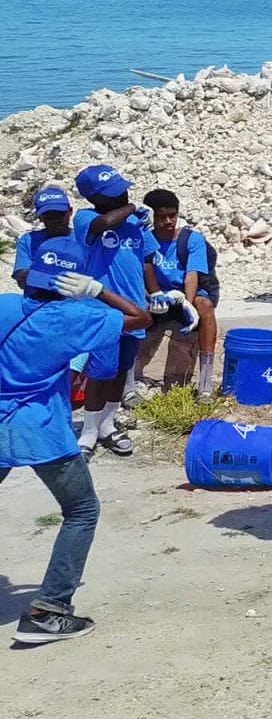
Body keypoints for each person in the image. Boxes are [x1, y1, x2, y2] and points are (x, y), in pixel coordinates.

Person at [2, 236, 149, 643]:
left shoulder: (4, 305)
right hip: (39, 429)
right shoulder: (74, 318)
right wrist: (99, 290)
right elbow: (140, 319)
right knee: (82, 510)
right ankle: (50, 610)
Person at [70, 165, 160, 456]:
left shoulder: (135, 224)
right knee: (101, 370)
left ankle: (108, 424)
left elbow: (146, 259)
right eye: (114, 193)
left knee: (122, 368)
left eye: (123, 188)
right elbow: (106, 222)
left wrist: (155, 292)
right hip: (102, 310)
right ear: (95, 199)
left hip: (135, 308)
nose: (123, 194)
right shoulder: (86, 218)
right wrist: (132, 207)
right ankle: (88, 431)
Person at [139, 189, 218, 393]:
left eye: (172, 215)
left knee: (205, 307)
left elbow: (192, 274)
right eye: (161, 216)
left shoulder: (191, 240)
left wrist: (187, 304)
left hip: (183, 295)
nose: (168, 221)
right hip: (155, 297)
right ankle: (131, 377)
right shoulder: (144, 240)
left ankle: (205, 382)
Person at [11, 186, 73, 289]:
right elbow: (21, 278)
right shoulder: (28, 241)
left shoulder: (85, 240)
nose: (55, 220)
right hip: (39, 300)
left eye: (60, 214)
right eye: (49, 216)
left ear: (70, 212)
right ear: (40, 218)